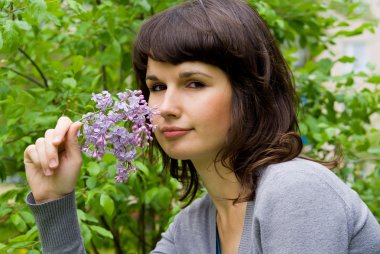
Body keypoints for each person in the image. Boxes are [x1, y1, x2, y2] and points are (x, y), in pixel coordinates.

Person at [24, 0, 380, 253]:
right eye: (156, 87)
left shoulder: (296, 191)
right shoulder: (192, 229)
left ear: (249, 92)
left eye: (194, 83)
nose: (164, 108)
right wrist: (54, 200)